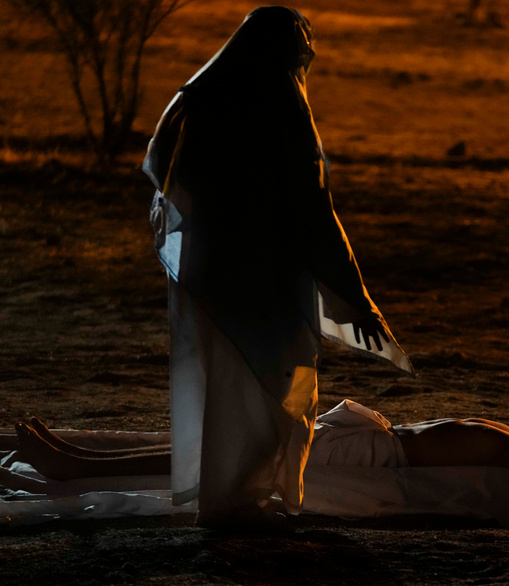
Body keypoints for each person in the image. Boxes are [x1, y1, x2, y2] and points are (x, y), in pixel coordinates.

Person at [141, 8, 412, 528]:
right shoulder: (281, 105)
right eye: (301, 53)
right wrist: (353, 295)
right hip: (260, 284)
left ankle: (230, 500)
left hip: (206, 275)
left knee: (229, 390)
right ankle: (237, 504)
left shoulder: (198, 97)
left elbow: (163, 180)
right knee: (271, 391)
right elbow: (312, 208)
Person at [11, 405, 509, 497]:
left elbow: (436, 473)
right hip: (366, 442)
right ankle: (77, 459)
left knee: (222, 456)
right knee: (217, 445)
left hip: (364, 458)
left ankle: (76, 468)